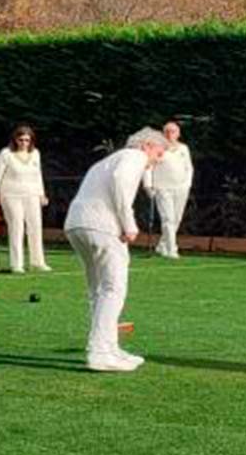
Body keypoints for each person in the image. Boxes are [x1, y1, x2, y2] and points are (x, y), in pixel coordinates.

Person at [65, 128, 169, 372]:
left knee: (98, 290)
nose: (159, 158)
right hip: (100, 225)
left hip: (76, 224)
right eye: (158, 152)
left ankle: (109, 347)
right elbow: (120, 182)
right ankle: (100, 352)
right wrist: (129, 224)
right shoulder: (134, 157)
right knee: (113, 288)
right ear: (146, 146)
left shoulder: (108, 160)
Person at [0, 124, 51, 274]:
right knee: (17, 227)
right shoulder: (6, 154)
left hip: (32, 194)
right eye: (21, 139)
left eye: (27, 140)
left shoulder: (36, 153)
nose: (24, 143)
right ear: (15, 139)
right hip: (10, 195)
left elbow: (38, 175)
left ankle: (38, 262)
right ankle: (16, 264)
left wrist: (41, 194)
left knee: (35, 226)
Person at [143, 119, 194, 258]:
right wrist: (148, 186)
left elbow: (189, 168)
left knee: (176, 218)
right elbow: (148, 167)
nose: (170, 134)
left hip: (181, 188)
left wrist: (187, 184)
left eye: (173, 131)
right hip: (162, 188)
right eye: (167, 131)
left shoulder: (183, 148)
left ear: (178, 134)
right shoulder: (156, 148)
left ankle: (162, 245)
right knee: (168, 219)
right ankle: (172, 249)